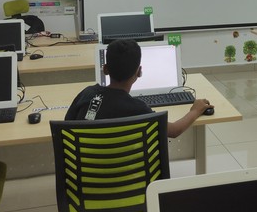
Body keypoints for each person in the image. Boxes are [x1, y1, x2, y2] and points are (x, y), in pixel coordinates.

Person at [65, 39, 213, 138]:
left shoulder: (86, 94)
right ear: (139, 72)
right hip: (128, 175)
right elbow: (173, 131)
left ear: (105, 69)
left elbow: (66, 125)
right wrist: (195, 111)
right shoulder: (138, 108)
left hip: (83, 173)